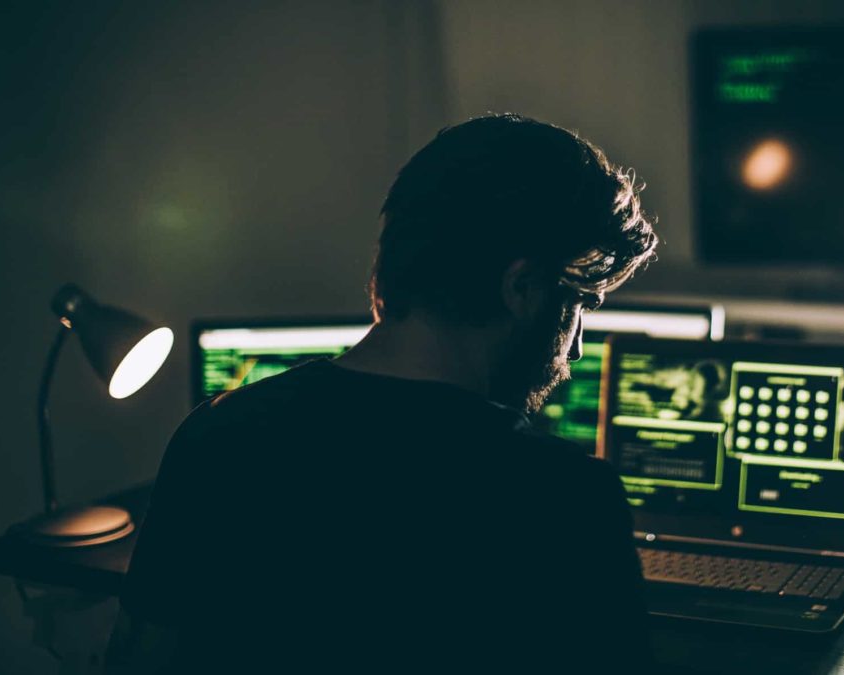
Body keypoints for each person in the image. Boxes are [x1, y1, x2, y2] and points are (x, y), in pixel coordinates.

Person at [106, 114, 659, 672]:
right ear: (521, 287)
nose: (576, 350)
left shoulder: (215, 436)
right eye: (579, 307)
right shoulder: (565, 499)